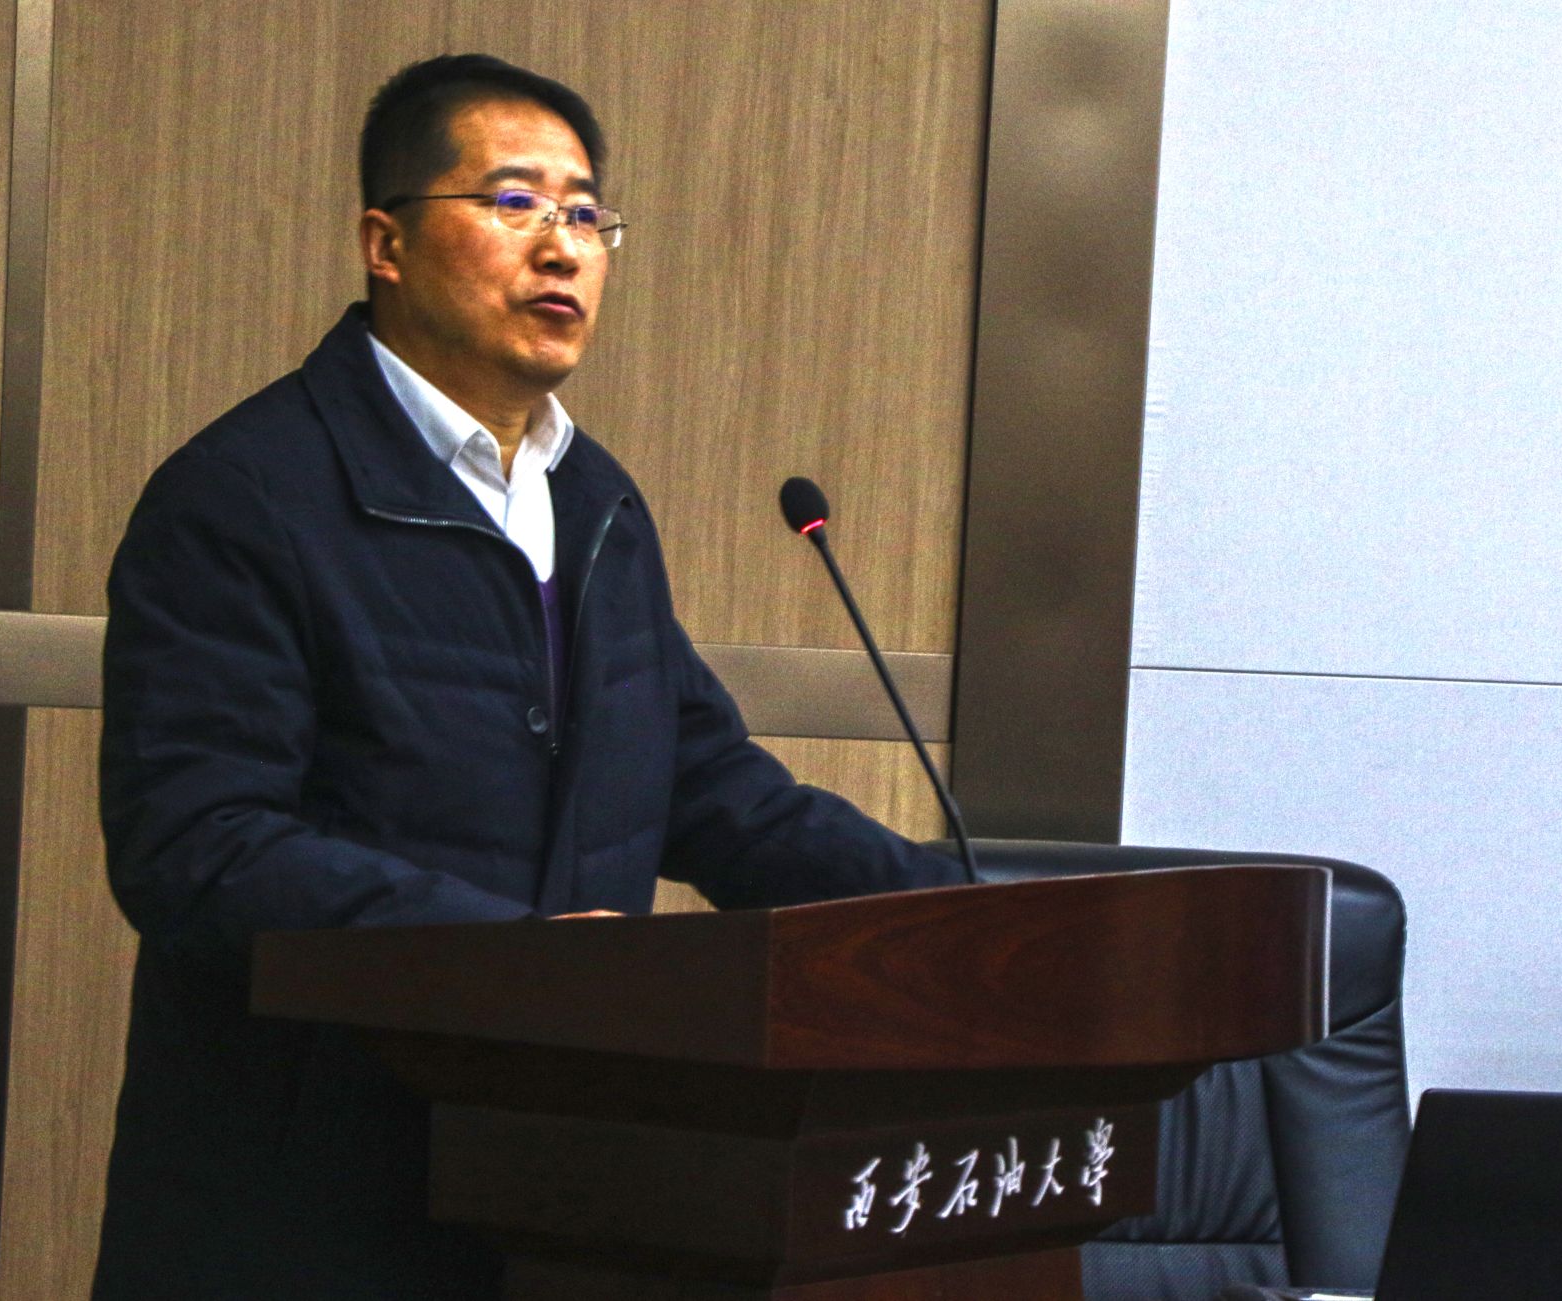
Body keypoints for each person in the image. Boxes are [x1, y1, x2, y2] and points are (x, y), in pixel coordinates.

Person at [89, 53, 966, 1299]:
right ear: (385, 243)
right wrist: (522, 964)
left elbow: (707, 784)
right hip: (304, 1199)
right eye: (513, 203)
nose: (561, 247)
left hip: (557, 1188)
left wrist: (951, 919)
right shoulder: (247, 496)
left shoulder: (593, 500)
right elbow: (196, 845)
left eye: (586, 215)